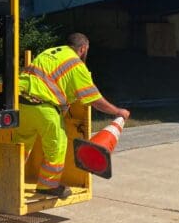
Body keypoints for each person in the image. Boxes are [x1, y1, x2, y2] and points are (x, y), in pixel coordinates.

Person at [13, 33, 131, 199]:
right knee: (57, 144)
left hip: (21, 103)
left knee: (22, 144)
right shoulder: (76, 64)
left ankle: (10, 179)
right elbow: (94, 99)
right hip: (43, 107)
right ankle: (48, 186)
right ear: (83, 48)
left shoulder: (51, 52)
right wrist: (118, 112)